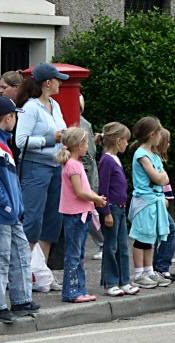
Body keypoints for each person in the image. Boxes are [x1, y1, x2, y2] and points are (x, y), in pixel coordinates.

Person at [0, 96, 39, 323]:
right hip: (1, 212)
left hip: (10, 212)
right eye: (15, 116)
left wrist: (15, 206)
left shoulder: (1, 143)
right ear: (9, 117)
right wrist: (6, 204)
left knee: (20, 254)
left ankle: (22, 299)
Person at [15, 63, 67, 291]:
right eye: (58, 79)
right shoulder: (31, 108)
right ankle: (22, 275)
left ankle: (41, 274)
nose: (60, 83)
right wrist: (50, 139)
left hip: (56, 167)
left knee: (51, 221)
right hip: (35, 168)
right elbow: (20, 141)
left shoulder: (55, 105)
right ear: (48, 82)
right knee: (33, 220)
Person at [57, 128, 107, 303]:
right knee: (74, 254)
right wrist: (96, 198)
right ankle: (72, 291)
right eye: (86, 143)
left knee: (77, 253)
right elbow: (80, 192)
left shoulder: (73, 163)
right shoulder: (73, 165)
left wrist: (94, 198)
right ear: (78, 145)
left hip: (79, 214)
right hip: (76, 214)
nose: (87, 147)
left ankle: (79, 289)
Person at [128, 116, 172, 289]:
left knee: (150, 238)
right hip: (145, 201)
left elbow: (164, 177)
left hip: (153, 201)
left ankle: (149, 271)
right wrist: (161, 177)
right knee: (142, 238)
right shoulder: (142, 154)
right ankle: (139, 274)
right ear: (153, 134)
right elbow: (158, 177)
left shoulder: (153, 155)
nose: (161, 136)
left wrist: (161, 177)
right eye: (159, 132)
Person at [96, 122, 139, 297]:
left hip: (120, 209)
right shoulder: (106, 160)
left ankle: (124, 280)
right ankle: (111, 281)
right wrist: (106, 212)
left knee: (122, 245)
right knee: (111, 246)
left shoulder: (114, 159)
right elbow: (103, 189)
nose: (127, 144)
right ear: (118, 140)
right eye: (126, 141)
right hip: (112, 209)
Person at [79, 94, 104, 260]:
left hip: (87, 173)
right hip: (86, 171)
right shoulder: (84, 123)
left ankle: (103, 242)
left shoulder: (83, 124)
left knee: (90, 211)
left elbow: (90, 152)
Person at [153, 128, 175, 282]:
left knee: (160, 235)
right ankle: (161, 268)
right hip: (158, 202)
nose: (169, 145)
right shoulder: (154, 159)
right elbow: (162, 180)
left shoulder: (157, 159)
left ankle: (156, 267)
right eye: (167, 141)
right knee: (171, 232)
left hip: (161, 202)